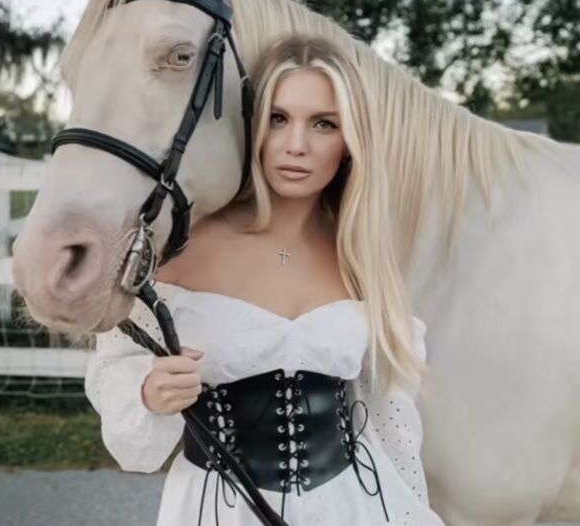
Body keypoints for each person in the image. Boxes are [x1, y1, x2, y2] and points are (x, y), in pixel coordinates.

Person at [85, 34, 445, 526]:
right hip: (220, 513)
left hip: (351, 507)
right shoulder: (182, 250)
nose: (296, 145)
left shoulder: (361, 258)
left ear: (349, 143)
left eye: (323, 124)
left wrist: (410, 510)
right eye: (278, 118)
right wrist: (148, 392)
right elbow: (118, 382)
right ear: (253, 125)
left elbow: (391, 420)